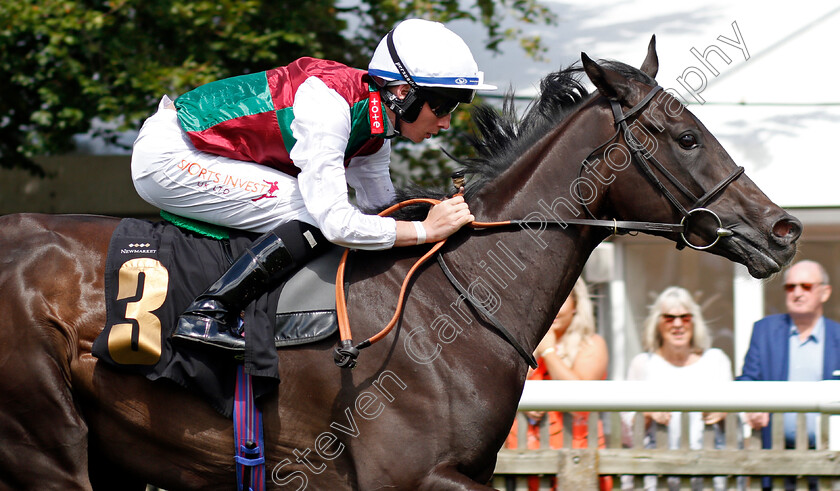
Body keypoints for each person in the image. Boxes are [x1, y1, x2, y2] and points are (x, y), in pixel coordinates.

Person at [129, 19, 496, 344]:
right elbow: (336, 224)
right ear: (403, 93)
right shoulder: (328, 106)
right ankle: (209, 313)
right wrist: (426, 231)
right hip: (172, 156)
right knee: (316, 215)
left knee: (342, 216)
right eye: (443, 107)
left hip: (202, 152)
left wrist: (435, 220)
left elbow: (382, 210)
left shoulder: (375, 126)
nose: (446, 123)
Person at [737, 260, 839, 491]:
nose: (797, 293)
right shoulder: (764, 331)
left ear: (825, 292)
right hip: (775, 458)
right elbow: (747, 380)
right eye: (791, 287)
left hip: (829, 459)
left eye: (806, 286)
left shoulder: (838, 336)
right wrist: (752, 405)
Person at [505, 278, 612, 491]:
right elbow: (502, 392)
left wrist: (549, 352)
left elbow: (578, 402)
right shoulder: (520, 346)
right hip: (520, 464)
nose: (551, 307)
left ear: (576, 305)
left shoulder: (592, 344)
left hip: (576, 464)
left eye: (560, 300)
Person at [623, 286, 732, 491]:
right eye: (669, 318)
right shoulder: (643, 364)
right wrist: (647, 415)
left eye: (685, 317)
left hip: (709, 477)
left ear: (694, 321)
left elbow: (737, 426)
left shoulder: (716, 360)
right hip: (656, 477)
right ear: (658, 324)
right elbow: (628, 433)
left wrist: (725, 413)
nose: (678, 324)